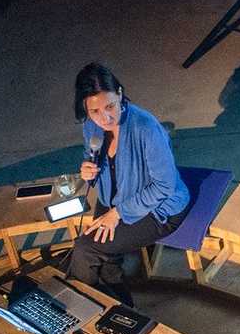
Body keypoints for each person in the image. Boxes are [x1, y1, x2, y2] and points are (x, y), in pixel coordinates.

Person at [66, 62, 191, 304]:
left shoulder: (146, 128)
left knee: (85, 249)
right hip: (114, 198)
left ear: (120, 94)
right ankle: (123, 311)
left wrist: (119, 213)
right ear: (85, 108)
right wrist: (88, 169)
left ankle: (74, 310)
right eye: (95, 111)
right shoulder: (91, 125)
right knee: (105, 261)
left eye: (110, 106)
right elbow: (95, 157)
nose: (105, 117)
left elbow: (164, 186)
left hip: (159, 209)